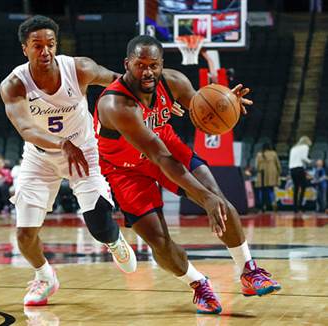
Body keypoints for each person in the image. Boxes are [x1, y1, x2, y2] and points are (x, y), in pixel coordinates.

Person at [95, 35, 281, 314]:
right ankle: (198, 283)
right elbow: (160, 158)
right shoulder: (116, 105)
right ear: (127, 64)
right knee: (158, 240)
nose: (147, 71)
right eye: (140, 65)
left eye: (153, 65)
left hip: (165, 143)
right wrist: (202, 198)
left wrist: (225, 104)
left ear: (161, 65)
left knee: (219, 201)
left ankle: (249, 271)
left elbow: (200, 108)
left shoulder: (174, 82)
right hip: (126, 170)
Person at [0, 15, 136, 307]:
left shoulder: (78, 68)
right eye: (38, 46)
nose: (45, 51)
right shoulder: (14, 85)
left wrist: (159, 97)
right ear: (25, 48)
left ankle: (114, 241)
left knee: (99, 226)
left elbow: (120, 82)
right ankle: (45, 276)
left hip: (84, 150)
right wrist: (63, 144)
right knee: (24, 235)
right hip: (40, 158)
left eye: (50, 44)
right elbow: (26, 129)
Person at [255, 143, 281, 212]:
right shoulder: (274, 154)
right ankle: (274, 203)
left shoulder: (259, 155)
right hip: (271, 175)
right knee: (271, 190)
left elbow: (256, 166)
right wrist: (279, 173)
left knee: (261, 190)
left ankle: (262, 206)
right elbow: (278, 165)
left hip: (262, 175)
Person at [288, 136, 312, 212]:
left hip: (292, 169)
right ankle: (300, 205)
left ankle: (295, 207)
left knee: (296, 187)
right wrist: (311, 162)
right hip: (299, 168)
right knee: (303, 186)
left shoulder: (293, 148)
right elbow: (303, 158)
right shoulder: (305, 147)